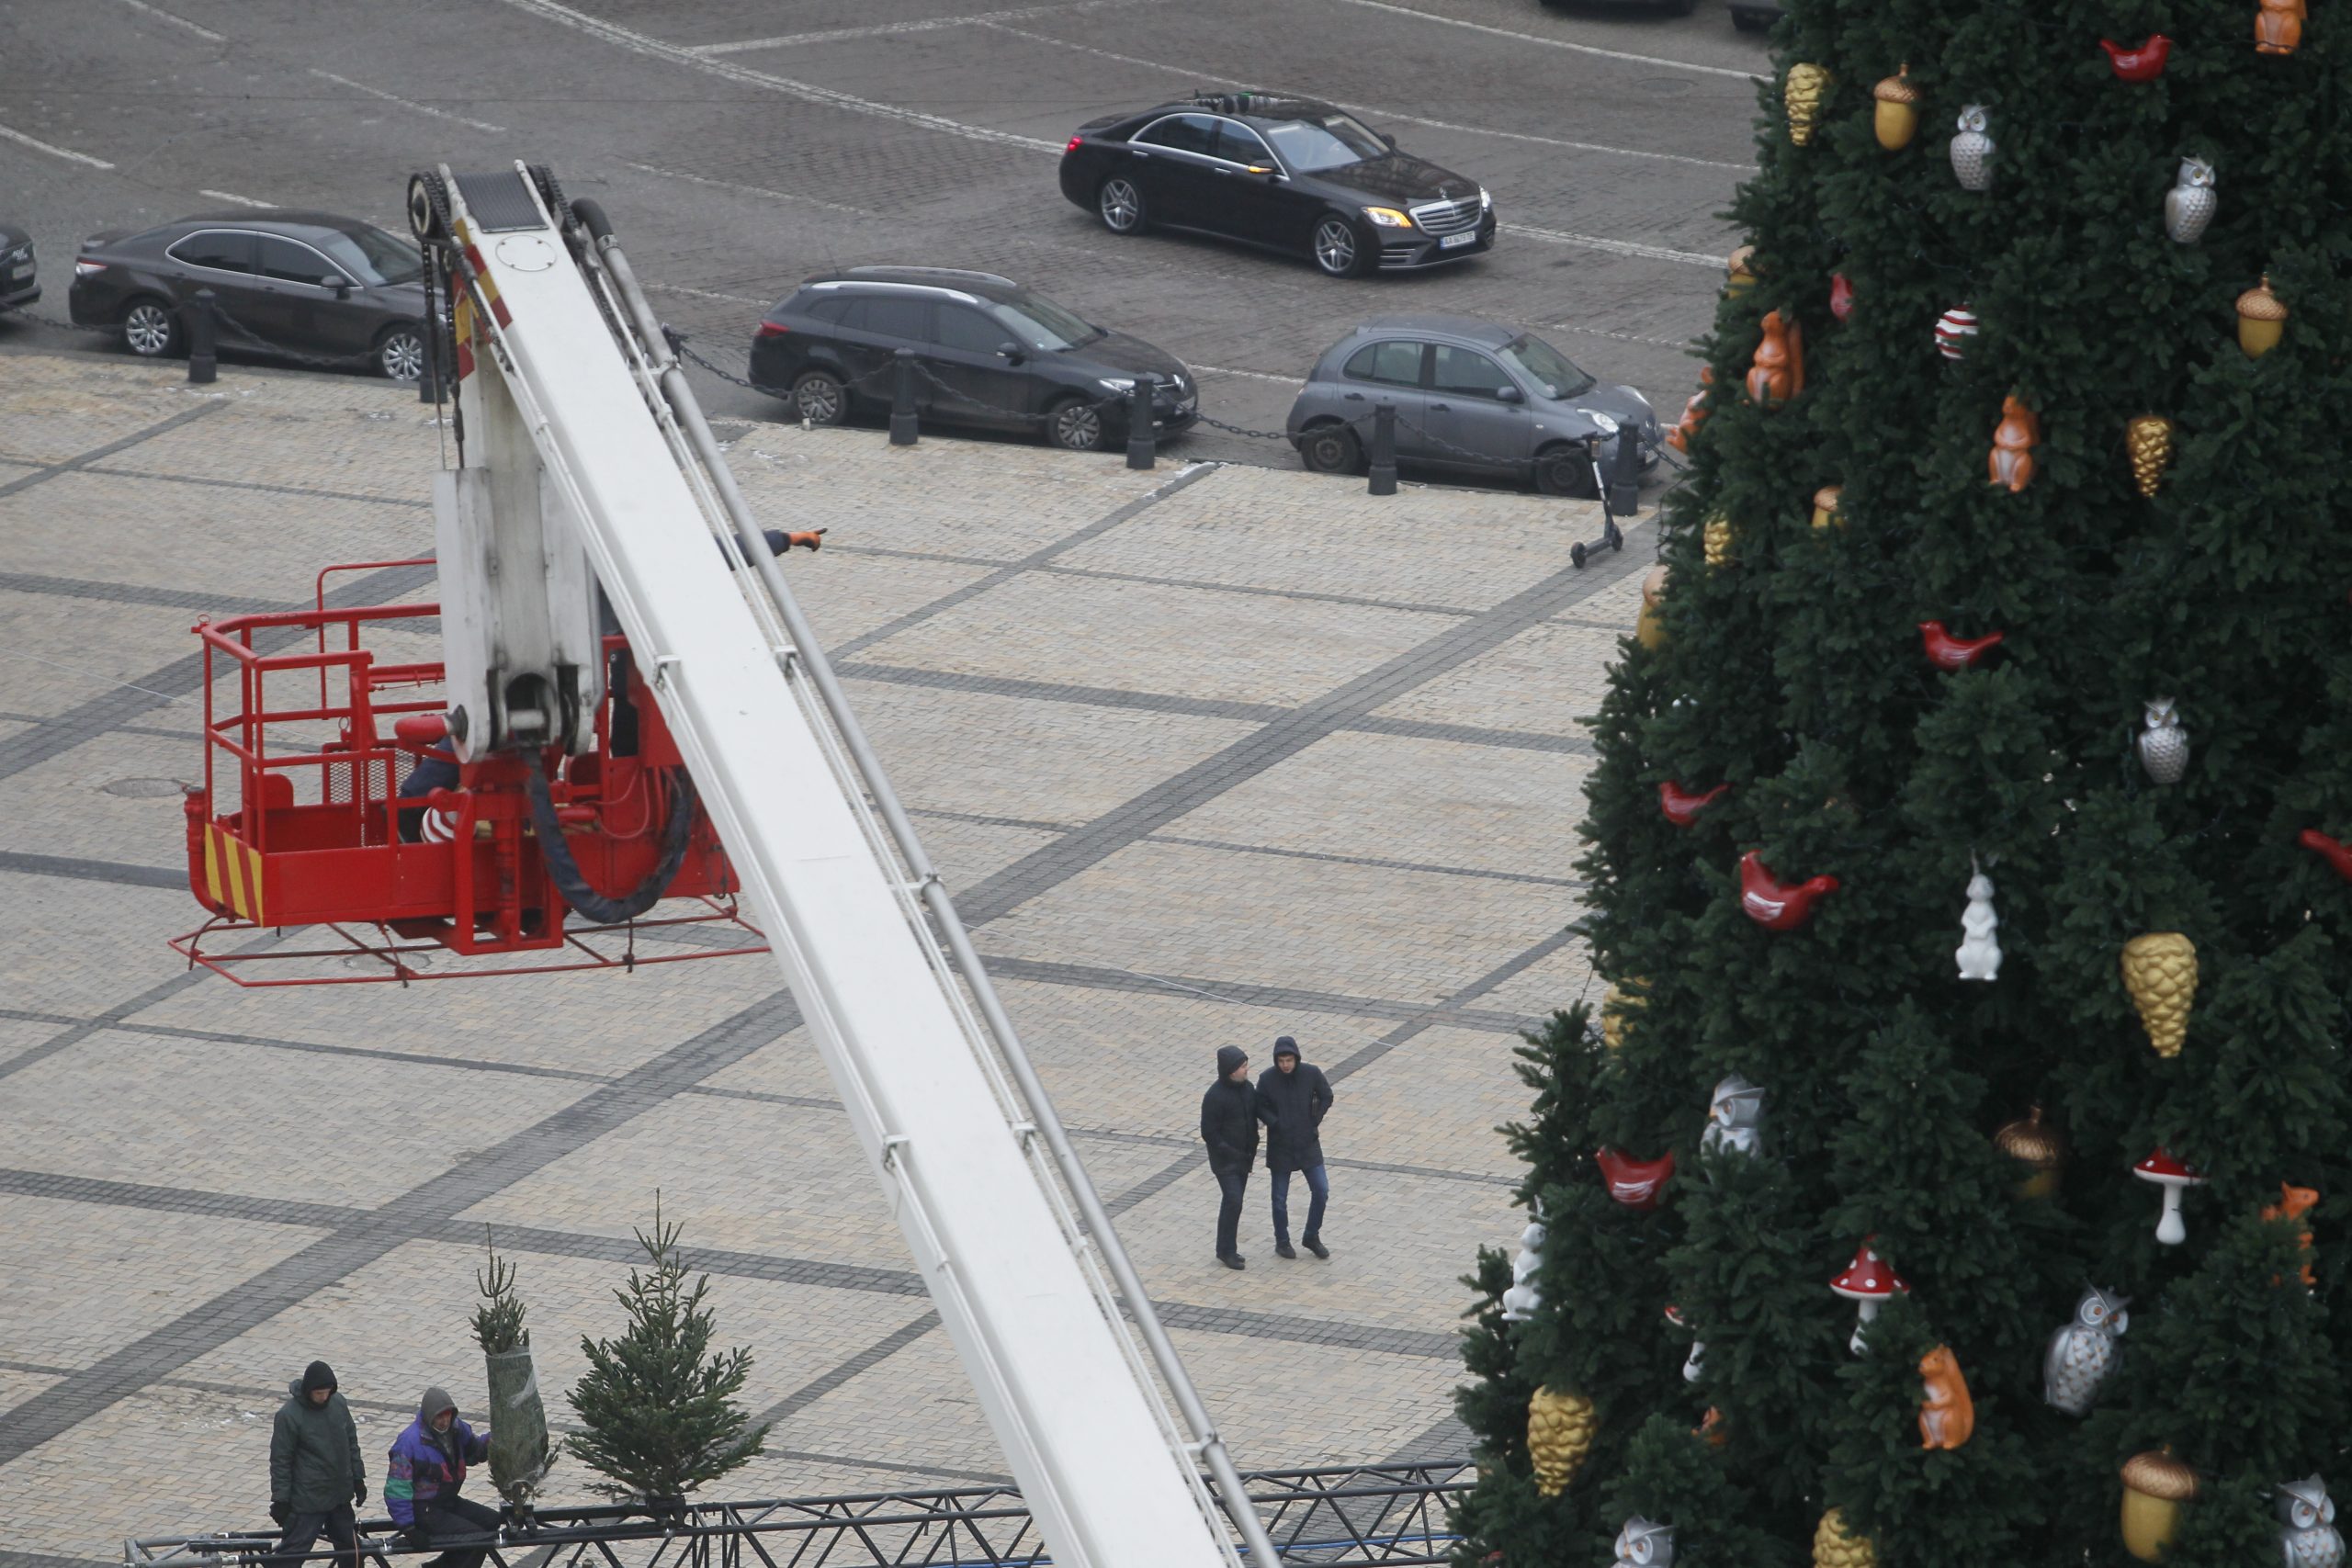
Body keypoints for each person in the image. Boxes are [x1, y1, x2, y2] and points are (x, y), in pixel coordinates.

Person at [387, 1387, 499, 1568]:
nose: (444, 1421)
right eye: (440, 1417)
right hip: (423, 1509)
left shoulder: (456, 1429)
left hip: (446, 1501)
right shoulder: (409, 1443)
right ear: (429, 1416)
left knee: (491, 1522)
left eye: (448, 1415)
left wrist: (498, 1438)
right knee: (475, 1538)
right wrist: (409, 1528)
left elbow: (475, 1450)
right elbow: (397, 1490)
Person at [269, 1360, 365, 1567]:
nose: (323, 1397)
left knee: (353, 1551)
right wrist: (281, 1499)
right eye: (319, 1393)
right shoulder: (288, 1415)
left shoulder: (338, 1403)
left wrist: (358, 1478)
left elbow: (351, 1443)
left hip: (339, 1496)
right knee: (293, 1553)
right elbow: (281, 1461)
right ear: (308, 1390)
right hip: (308, 1500)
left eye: (327, 1392)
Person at [1258, 1036, 1335, 1259]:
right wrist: (1275, 1123)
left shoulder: (1311, 1074)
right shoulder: (1267, 1079)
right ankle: (1282, 1241)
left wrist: (1314, 1120)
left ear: (1296, 1058)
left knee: (1321, 1190)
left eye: (1289, 1060)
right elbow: (1259, 1105)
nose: (1285, 1065)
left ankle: (1311, 1235)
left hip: (1307, 1144)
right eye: (1281, 1060)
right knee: (1279, 1199)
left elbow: (1327, 1096)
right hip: (1280, 1147)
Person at [1199, 1044, 1270, 1270]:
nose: (1246, 1069)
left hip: (1244, 1158)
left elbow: (1258, 1111)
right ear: (1231, 1070)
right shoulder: (1214, 1096)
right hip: (1225, 1161)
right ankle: (1225, 1250)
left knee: (1234, 1203)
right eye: (1242, 1066)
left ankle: (1228, 1247)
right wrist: (1229, 1151)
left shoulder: (1248, 1089)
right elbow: (1209, 1132)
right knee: (1233, 1200)